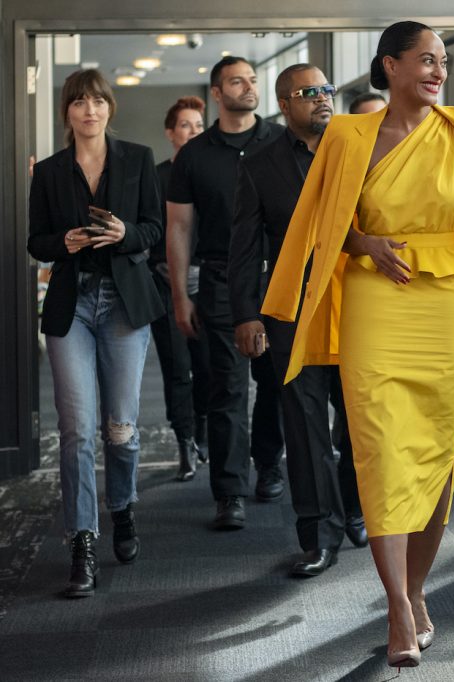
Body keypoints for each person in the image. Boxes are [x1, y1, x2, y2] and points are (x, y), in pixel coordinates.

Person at [262, 21, 454, 667]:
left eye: (442, 63)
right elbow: (324, 227)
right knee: (378, 450)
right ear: (389, 66)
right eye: (424, 60)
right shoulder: (347, 137)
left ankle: (418, 589)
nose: (437, 71)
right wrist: (364, 243)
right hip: (376, 300)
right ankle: (398, 606)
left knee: (433, 456)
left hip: (446, 308)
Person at [27, 69, 163, 597]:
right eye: (80, 102)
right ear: (68, 112)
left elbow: (152, 226)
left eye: (98, 101)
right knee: (77, 428)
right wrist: (63, 241)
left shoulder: (137, 158)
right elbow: (37, 241)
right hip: (72, 307)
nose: (89, 109)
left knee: (121, 425)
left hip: (125, 305)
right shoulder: (51, 171)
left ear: (111, 108)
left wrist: (126, 233)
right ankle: (82, 539)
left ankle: (123, 506)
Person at [230, 63, 367, 578]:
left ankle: (356, 509)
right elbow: (243, 248)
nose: (323, 98)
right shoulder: (260, 164)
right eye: (309, 92)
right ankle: (319, 534)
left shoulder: (360, 149)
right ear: (284, 105)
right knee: (305, 424)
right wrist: (246, 314)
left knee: (358, 421)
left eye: (327, 89)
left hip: (359, 305)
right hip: (293, 314)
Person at [166, 57, 285, 530]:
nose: (249, 87)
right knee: (227, 390)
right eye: (238, 81)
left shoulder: (280, 140)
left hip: (277, 279)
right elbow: (178, 227)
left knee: (276, 383)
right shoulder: (195, 154)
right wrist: (180, 295)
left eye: (253, 80)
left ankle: (269, 464)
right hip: (218, 280)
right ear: (217, 92)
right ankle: (229, 490)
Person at [151, 96, 210, 482]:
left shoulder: (212, 173)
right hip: (162, 282)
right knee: (177, 367)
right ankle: (185, 442)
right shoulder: (154, 177)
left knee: (207, 368)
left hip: (209, 283)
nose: (192, 131)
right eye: (185, 125)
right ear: (171, 133)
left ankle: (203, 438)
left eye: (198, 125)